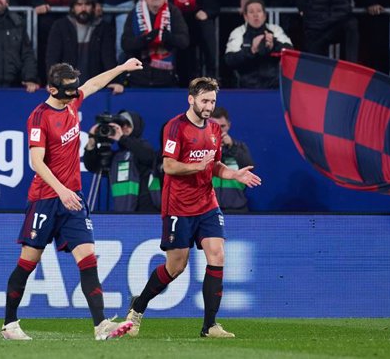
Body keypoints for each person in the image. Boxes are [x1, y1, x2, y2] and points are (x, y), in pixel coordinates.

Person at [1, 58, 143, 341]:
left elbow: (93, 83)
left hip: (73, 199)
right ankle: (9, 325)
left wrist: (121, 67)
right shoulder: (39, 117)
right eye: (68, 91)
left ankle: (101, 325)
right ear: (52, 90)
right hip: (45, 198)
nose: (74, 95)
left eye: (74, 90)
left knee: (88, 258)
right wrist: (61, 190)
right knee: (28, 262)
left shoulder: (72, 101)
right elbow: (36, 162)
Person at [125, 77, 261, 338]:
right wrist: (198, 166)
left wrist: (234, 175)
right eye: (205, 100)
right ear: (191, 99)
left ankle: (209, 325)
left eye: (212, 101)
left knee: (217, 254)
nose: (209, 106)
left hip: (207, 204)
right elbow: (169, 166)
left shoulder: (213, 130)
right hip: (178, 206)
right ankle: (138, 307)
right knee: (176, 266)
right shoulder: (175, 127)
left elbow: (216, 165)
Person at [45, 0, 122, 92]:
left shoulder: (103, 28)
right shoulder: (60, 27)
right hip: (66, 87)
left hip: (94, 87)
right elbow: (52, 58)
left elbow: (108, 58)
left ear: (93, 8)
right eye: (79, 5)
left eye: (87, 5)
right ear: (73, 8)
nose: (83, 8)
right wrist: (52, 82)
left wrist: (114, 81)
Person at [83, 109, 158, 212]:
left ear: (135, 126)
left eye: (128, 124)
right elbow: (92, 166)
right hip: (123, 214)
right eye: (121, 124)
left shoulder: (143, 147)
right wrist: (91, 141)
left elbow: (149, 157)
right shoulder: (117, 156)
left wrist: (122, 138)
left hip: (146, 212)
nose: (125, 128)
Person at [122, 0, 189, 87]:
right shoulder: (134, 14)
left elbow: (184, 41)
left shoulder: (174, 12)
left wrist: (168, 38)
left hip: (167, 76)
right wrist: (146, 39)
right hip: (138, 77)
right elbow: (126, 44)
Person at [224, 0, 292, 89]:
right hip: (246, 88)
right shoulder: (238, 32)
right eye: (251, 12)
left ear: (264, 15)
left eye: (259, 11)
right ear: (245, 16)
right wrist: (251, 50)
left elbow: (290, 52)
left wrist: (274, 45)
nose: (256, 15)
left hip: (274, 87)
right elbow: (229, 60)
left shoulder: (275, 30)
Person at [210, 107, 254, 213]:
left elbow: (249, 168)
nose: (219, 130)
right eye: (215, 126)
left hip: (236, 209)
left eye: (223, 126)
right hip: (208, 210)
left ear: (229, 125)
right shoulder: (201, 148)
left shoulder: (239, 147)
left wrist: (232, 147)